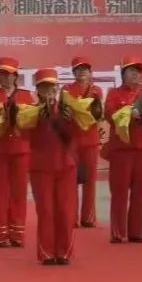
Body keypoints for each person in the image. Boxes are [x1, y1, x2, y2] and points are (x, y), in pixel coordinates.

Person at [28, 69, 78, 265]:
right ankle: (47, 252)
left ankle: (64, 252)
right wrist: (40, 118)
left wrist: (67, 121)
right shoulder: (30, 112)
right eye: (44, 88)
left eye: (52, 87)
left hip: (65, 166)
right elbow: (27, 137)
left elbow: (74, 136)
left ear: (57, 89)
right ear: (38, 90)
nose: (49, 92)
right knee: (46, 210)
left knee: (65, 210)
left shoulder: (67, 109)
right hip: (41, 167)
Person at [0, 57, 35, 248]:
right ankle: (0, 234)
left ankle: (17, 233)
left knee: (19, 193)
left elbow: (33, 122)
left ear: (16, 76)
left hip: (21, 150)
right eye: (1, 74)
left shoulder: (27, 96)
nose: (5, 78)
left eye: (9, 74)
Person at [103, 56, 142, 244]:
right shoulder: (114, 94)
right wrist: (130, 113)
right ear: (123, 74)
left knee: (140, 191)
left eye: (138, 72)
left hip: (141, 147)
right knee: (120, 191)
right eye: (132, 71)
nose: (136, 75)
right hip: (121, 148)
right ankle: (118, 231)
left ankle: (136, 232)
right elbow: (110, 115)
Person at [62, 57, 104, 228]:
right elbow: (64, 112)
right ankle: (71, 217)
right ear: (73, 72)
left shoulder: (96, 90)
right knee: (71, 180)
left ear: (90, 72)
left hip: (91, 140)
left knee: (90, 180)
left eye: (85, 69)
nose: (82, 72)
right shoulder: (66, 89)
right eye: (78, 69)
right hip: (72, 141)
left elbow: (98, 114)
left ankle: (88, 217)